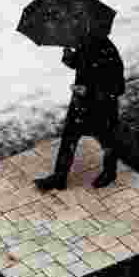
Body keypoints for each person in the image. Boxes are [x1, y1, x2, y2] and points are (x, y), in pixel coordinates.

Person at [34, 34, 126, 191]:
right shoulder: (86, 44)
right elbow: (79, 64)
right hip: (80, 105)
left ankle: (109, 173)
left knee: (108, 141)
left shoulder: (109, 53)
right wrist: (69, 57)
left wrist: (88, 91)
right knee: (68, 139)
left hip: (101, 108)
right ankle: (59, 177)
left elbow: (117, 87)